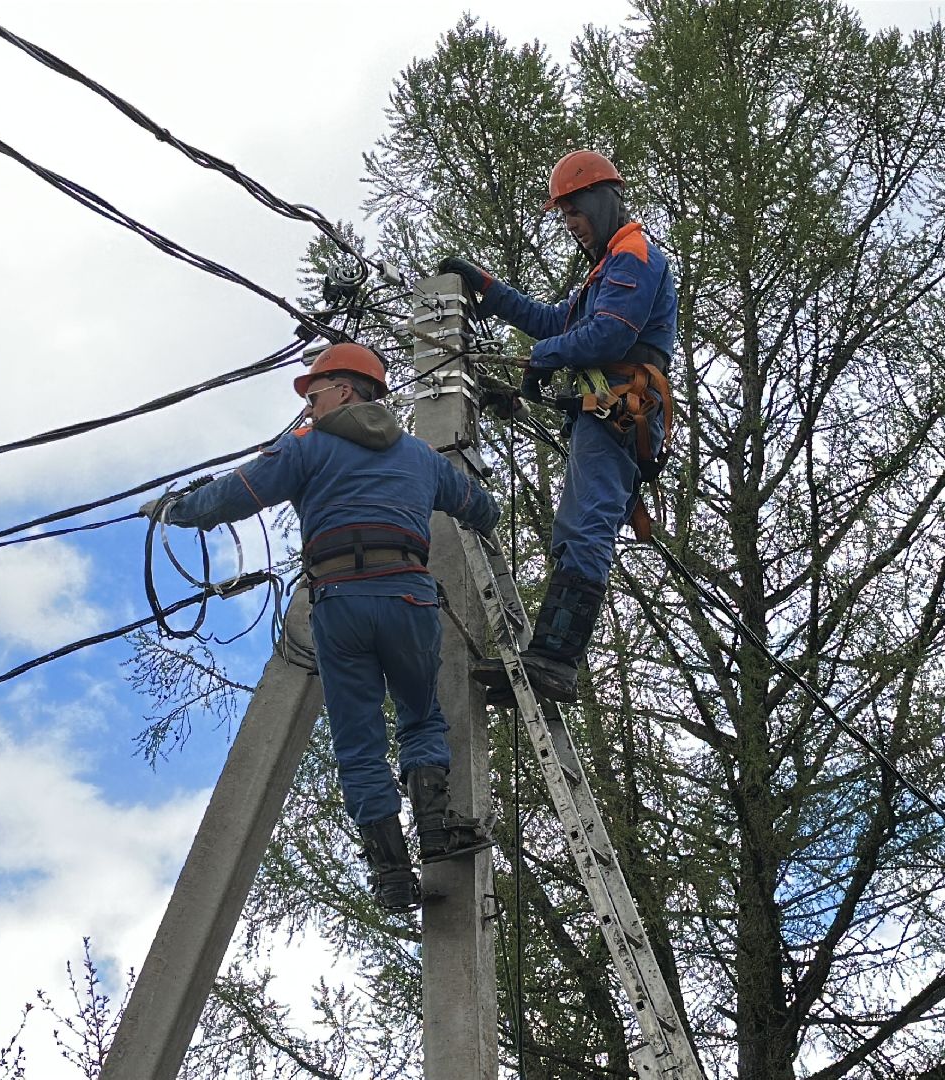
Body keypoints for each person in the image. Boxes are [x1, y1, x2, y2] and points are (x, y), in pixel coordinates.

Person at [140, 342, 501, 914]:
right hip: (408, 596)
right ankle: (436, 830)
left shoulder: (309, 448)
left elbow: (233, 496)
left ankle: (390, 874)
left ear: (345, 391)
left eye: (313, 393)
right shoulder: (421, 457)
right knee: (421, 717)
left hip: (340, 601)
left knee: (360, 743)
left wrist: (173, 509)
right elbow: (481, 508)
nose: (306, 406)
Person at [437, 149, 678, 704]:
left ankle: (555, 662)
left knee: (585, 525)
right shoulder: (607, 269)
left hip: (621, 411)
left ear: (601, 198)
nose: (571, 225)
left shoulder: (633, 256)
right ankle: (549, 656)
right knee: (574, 528)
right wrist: (488, 289)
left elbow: (608, 337)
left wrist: (543, 357)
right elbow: (557, 322)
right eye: (564, 215)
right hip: (604, 411)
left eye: (574, 211)